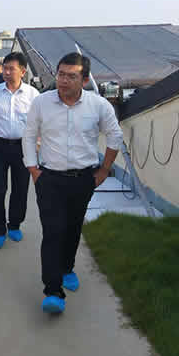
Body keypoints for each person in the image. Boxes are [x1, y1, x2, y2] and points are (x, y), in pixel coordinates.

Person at [22, 52, 123, 314]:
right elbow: (29, 135)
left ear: (85, 80)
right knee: (53, 231)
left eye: (71, 76)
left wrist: (104, 170)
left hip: (83, 179)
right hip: (49, 179)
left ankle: (67, 268)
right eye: (61, 74)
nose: (64, 80)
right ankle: (53, 291)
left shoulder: (98, 105)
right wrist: (33, 169)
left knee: (72, 227)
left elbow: (115, 135)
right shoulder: (42, 102)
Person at [0, 52, 39, 250]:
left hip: (24, 147)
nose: (6, 72)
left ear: (23, 71)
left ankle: (14, 224)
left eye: (11, 69)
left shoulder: (33, 95)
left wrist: (38, 143)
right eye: (5, 68)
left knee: (20, 189)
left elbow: (41, 121)